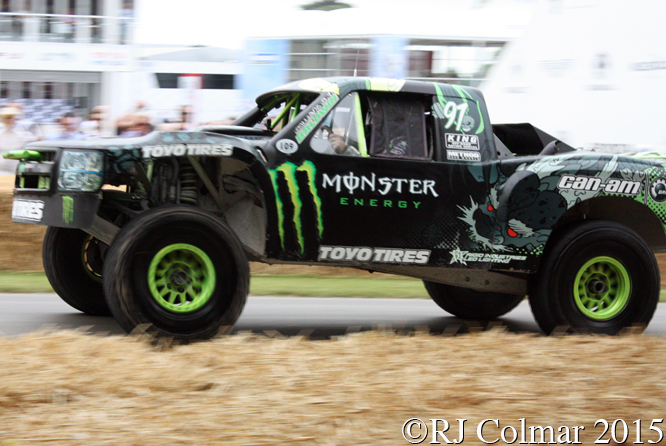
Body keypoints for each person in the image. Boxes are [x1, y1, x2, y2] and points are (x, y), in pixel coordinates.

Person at [0, 106, 37, 174]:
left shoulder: (23, 135)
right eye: (7, 118)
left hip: (15, 171)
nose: (9, 120)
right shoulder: (1, 134)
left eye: (10, 118)